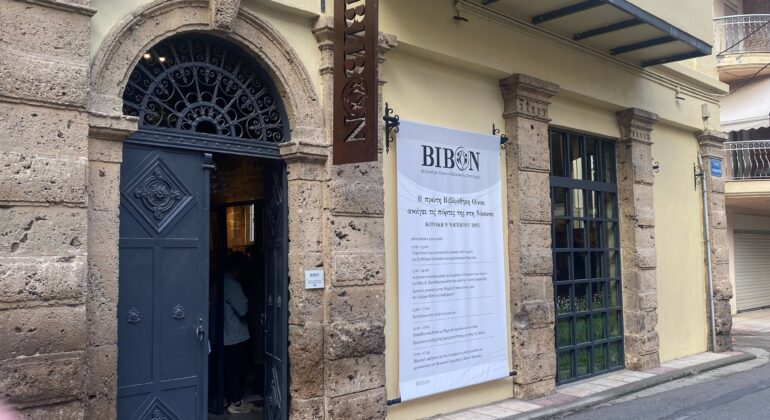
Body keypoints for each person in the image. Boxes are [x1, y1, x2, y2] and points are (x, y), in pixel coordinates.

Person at [223, 254, 256, 414]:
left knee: (227, 369)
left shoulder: (218, 281)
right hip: (234, 335)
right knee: (235, 369)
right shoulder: (232, 284)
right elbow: (242, 309)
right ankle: (236, 402)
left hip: (223, 335)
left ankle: (225, 397)